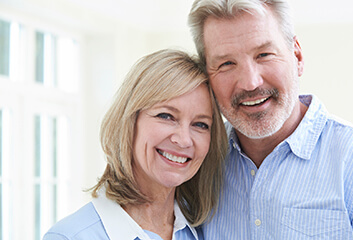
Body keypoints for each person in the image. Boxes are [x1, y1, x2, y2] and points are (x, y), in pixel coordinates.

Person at [188, 0, 353, 239]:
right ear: (207, 76)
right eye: (226, 64)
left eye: (264, 55)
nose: (250, 83)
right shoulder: (197, 163)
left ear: (297, 56)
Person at [43, 49, 227, 240]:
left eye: (200, 124)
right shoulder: (70, 237)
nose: (184, 140)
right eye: (166, 116)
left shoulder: (204, 231)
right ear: (130, 121)